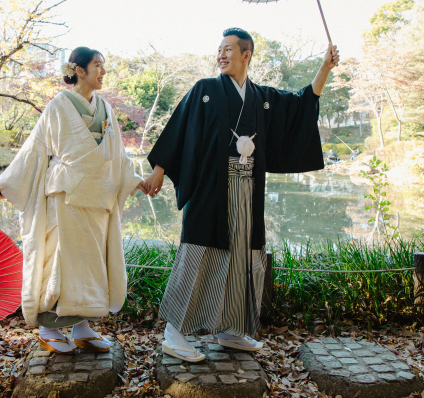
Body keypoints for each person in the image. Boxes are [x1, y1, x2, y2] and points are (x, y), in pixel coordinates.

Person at [144, 28, 339, 362]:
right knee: (199, 251)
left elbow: (301, 106)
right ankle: (174, 332)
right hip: (210, 189)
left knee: (242, 259)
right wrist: (159, 170)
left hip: (247, 189)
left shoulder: (262, 98)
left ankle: (230, 329)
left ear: (246, 55)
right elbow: (179, 130)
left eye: (229, 49)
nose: (221, 54)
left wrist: (324, 68)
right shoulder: (204, 90)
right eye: (219, 49)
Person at [0, 47, 146, 355]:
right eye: (98, 65)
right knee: (61, 264)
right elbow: (35, 148)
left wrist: (136, 181)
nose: (102, 71)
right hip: (66, 196)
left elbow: (118, 157)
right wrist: (7, 184)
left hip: (98, 199)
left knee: (92, 266)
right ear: (79, 70)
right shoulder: (59, 105)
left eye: (103, 65)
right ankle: (48, 326)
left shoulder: (106, 108)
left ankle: (82, 327)